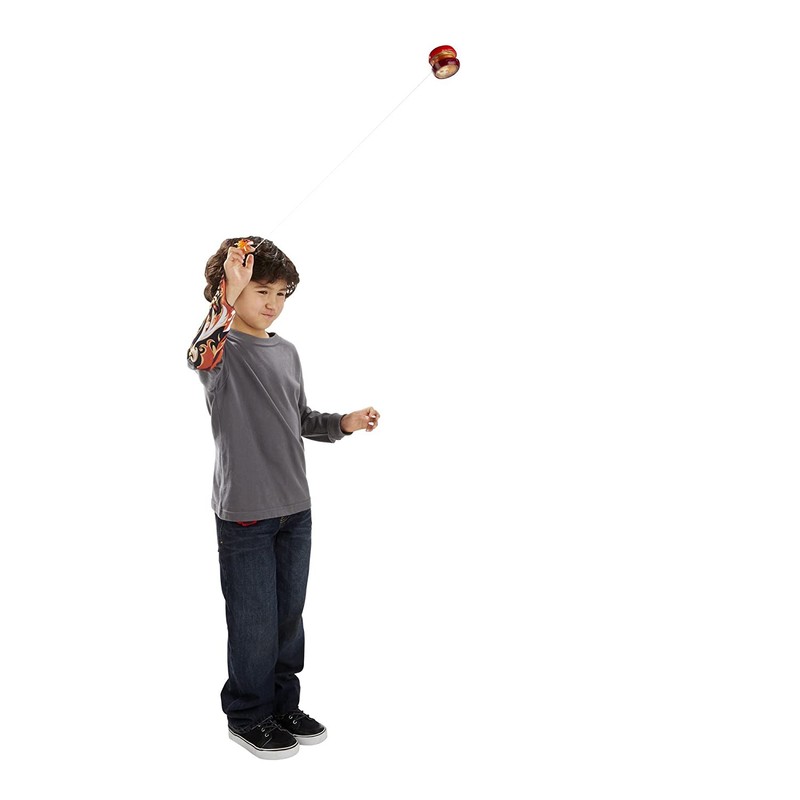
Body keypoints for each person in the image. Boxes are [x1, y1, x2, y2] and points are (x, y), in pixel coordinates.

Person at [186, 236, 380, 760]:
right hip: (246, 514)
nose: (272, 302)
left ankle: (282, 705)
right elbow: (198, 351)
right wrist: (228, 291)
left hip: (295, 508)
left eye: (281, 293)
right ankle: (249, 714)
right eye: (261, 290)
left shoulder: (287, 351)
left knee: (287, 618)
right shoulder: (222, 353)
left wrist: (343, 423)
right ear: (232, 289)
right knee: (253, 621)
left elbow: (299, 418)